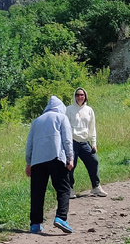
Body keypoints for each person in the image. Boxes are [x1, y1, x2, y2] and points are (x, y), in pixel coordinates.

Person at [24, 96, 75, 234]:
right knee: (64, 189)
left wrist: (28, 163)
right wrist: (70, 158)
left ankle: (35, 224)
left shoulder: (36, 121)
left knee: (37, 192)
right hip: (56, 157)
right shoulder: (61, 117)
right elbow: (67, 140)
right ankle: (61, 218)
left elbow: (29, 144)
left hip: (37, 161)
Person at [66, 87, 107, 197]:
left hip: (84, 142)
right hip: (72, 141)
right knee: (70, 165)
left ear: (85, 97)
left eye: (82, 95)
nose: (80, 97)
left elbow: (92, 128)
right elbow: (65, 127)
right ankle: (69, 189)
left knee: (93, 161)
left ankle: (96, 187)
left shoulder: (89, 110)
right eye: (78, 95)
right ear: (74, 97)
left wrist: (94, 143)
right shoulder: (68, 110)